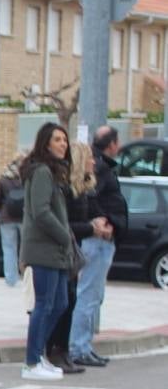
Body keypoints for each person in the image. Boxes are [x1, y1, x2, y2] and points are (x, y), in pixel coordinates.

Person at [19, 122, 74, 382]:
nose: (63, 144)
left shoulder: (54, 173)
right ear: (45, 143)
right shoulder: (41, 171)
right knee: (43, 304)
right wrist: (64, 235)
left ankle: (39, 354)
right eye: (57, 140)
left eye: (65, 140)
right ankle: (31, 362)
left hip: (56, 250)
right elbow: (40, 211)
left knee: (60, 303)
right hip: (43, 249)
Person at [71, 126, 126, 367]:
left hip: (102, 240)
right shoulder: (99, 167)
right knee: (89, 295)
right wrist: (105, 221)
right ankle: (78, 347)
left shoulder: (101, 166)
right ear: (112, 144)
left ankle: (84, 345)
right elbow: (91, 199)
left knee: (95, 295)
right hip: (98, 240)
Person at [45, 142, 102, 375]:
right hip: (62, 252)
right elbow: (66, 225)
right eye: (89, 158)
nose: (94, 162)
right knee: (62, 302)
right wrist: (91, 228)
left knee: (69, 302)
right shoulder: (65, 190)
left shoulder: (82, 188)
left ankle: (63, 351)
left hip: (73, 252)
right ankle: (53, 350)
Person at [0, 153, 27, 287]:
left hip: (7, 218)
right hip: (25, 218)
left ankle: (11, 279)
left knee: (8, 248)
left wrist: (1, 210)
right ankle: (26, 276)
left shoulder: (4, 178)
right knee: (26, 248)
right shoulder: (28, 177)